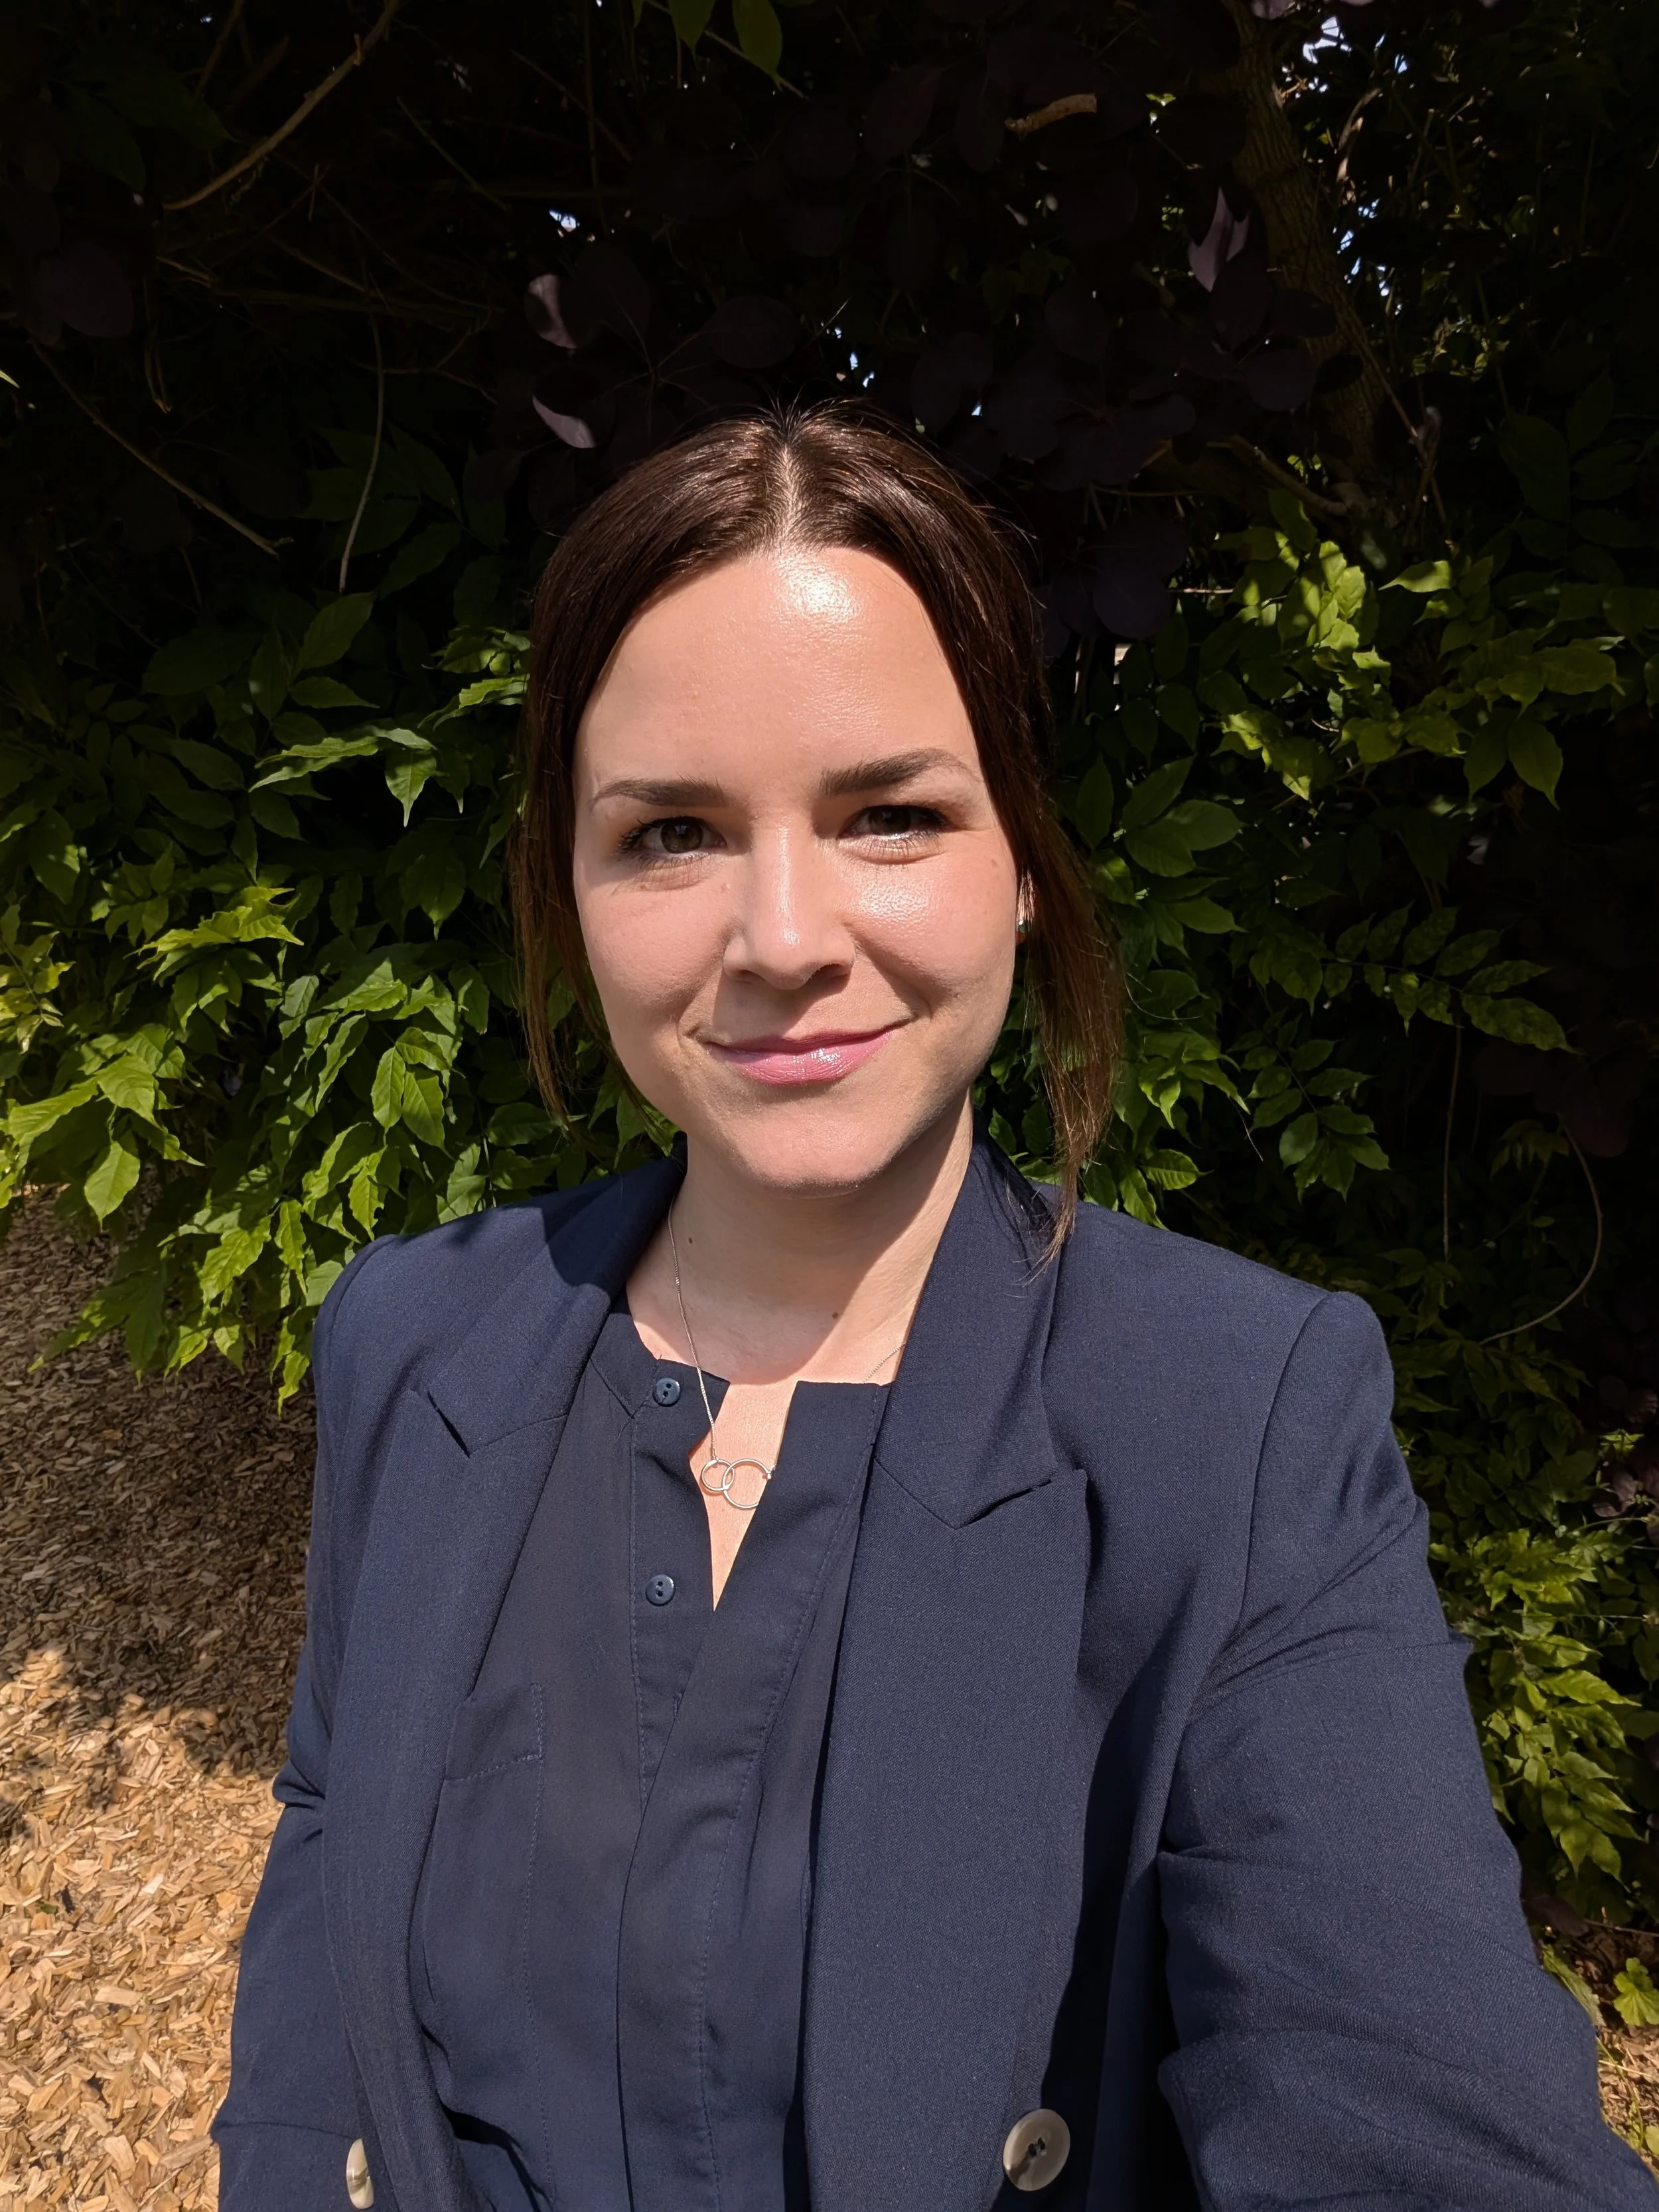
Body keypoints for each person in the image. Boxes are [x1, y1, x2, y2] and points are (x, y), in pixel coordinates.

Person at [214, 406, 1654, 2212]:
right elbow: (335, 1820)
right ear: (565, 893)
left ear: (1023, 857)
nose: (785, 932)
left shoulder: (1234, 1423)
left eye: (888, 813)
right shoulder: (415, 1335)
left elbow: (1412, 2108)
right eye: (670, 832)